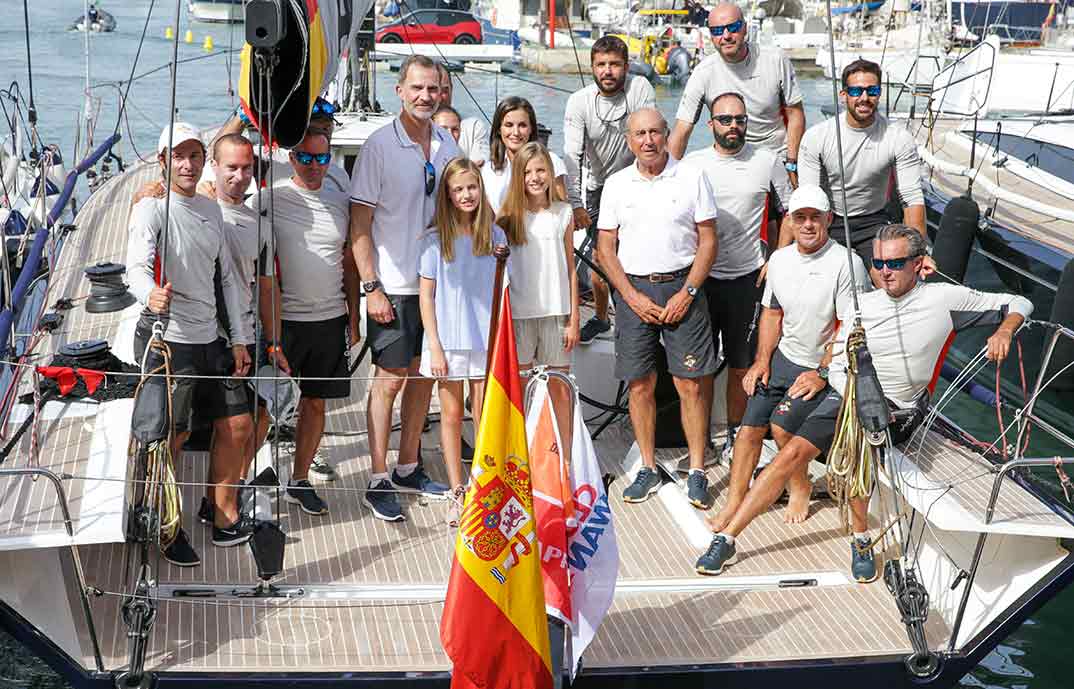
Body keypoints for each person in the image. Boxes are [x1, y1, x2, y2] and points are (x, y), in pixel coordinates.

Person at [695, 224, 1033, 580]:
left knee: (860, 445)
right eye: (879, 262)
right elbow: (839, 362)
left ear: (919, 264)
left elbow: (1020, 302)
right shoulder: (863, 306)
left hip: (898, 408)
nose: (886, 271)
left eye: (896, 262)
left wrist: (1004, 330)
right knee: (790, 451)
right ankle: (728, 538)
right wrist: (840, 385)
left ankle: (860, 538)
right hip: (851, 396)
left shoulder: (945, 300)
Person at [706, 185, 869, 533]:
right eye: (800, 218)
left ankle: (800, 486)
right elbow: (771, 315)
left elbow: (848, 328)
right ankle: (734, 501)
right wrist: (761, 360)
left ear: (830, 219)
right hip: (783, 357)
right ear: (790, 223)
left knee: (782, 427)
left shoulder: (847, 263)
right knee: (747, 431)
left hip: (824, 364)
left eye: (815, 217)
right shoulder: (779, 260)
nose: (808, 225)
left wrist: (823, 372)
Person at [126, 123, 253, 567]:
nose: (187, 163)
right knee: (173, 436)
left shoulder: (211, 208)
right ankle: (166, 524)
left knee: (239, 425)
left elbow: (228, 280)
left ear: (204, 160)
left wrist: (238, 338)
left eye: (194, 154)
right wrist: (149, 294)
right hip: (170, 341)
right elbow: (136, 268)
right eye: (177, 155)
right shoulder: (150, 209)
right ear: (163, 161)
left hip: (211, 338)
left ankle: (221, 515)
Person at [350, 54, 461, 522]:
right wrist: (371, 287)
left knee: (422, 379)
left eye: (432, 89)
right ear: (400, 91)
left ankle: (408, 464)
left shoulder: (447, 143)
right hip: (392, 285)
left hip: (436, 284)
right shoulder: (379, 145)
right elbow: (359, 223)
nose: (425, 97)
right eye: (416, 88)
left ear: (442, 93)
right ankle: (377, 477)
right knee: (389, 380)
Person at [596, 108, 719, 508]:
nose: (648, 141)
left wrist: (688, 292)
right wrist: (631, 297)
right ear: (629, 140)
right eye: (639, 134)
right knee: (640, 384)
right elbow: (605, 248)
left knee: (691, 384)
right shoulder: (616, 185)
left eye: (654, 132)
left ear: (667, 134)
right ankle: (647, 467)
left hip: (683, 288)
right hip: (634, 293)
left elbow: (708, 240)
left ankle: (698, 469)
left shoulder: (692, 176)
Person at [250, 130, 360, 516]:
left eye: (321, 159)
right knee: (264, 406)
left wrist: (354, 315)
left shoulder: (340, 198)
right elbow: (226, 207)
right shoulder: (271, 197)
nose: (314, 167)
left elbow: (349, 260)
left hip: (330, 318)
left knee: (315, 404)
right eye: (305, 158)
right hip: (284, 322)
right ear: (291, 158)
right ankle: (244, 479)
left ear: (330, 159)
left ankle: (298, 481)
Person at [683, 91, 794, 464]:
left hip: (749, 279)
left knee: (741, 365)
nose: (734, 126)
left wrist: (777, 258)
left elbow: (788, 213)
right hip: (701, 279)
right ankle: (699, 446)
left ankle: (734, 437)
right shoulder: (693, 165)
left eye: (740, 120)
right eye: (726, 119)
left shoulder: (767, 162)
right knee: (696, 367)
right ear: (710, 123)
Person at [419, 159, 506, 495]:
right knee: (452, 415)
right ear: (448, 195)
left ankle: (483, 483)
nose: (467, 195)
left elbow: (500, 290)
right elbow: (427, 297)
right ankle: (458, 488)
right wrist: (435, 346)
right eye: (459, 189)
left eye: (472, 187)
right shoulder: (434, 240)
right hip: (450, 342)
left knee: (484, 415)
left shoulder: (494, 234)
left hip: (485, 339)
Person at [562, 35, 656, 345]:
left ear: (626, 66)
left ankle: (643, 315)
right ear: (592, 68)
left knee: (640, 256)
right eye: (601, 65)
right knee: (601, 261)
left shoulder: (640, 88)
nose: (608, 71)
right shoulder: (580, 102)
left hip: (638, 182)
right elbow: (571, 156)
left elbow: (650, 137)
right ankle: (602, 318)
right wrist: (575, 203)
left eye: (614, 64)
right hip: (599, 189)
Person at [795, 59, 928, 267]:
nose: (864, 98)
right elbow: (808, 197)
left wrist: (919, 254)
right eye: (856, 91)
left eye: (872, 90)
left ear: (879, 93)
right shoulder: (816, 137)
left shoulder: (899, 138)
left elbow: (911, 198)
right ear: (844, 95)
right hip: (829, 220)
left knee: (888, 276)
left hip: (874, 221)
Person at [499, 141, 579, 461]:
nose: (535, 177)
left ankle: (565, 458)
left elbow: (571, 268)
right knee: (521, 389)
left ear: (550, 172)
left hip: (556, 313)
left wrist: (574, 320)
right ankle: (520, 455)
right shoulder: (508, 216)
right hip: (520, 314)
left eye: (540, 170)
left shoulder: (564, 213)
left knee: (559, 388)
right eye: (528, 171)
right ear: (519, 176)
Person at [668, 2, 805, 179]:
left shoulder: (775, 59)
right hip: (729, 158)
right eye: (717, 31)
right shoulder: (703, 73)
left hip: (776, 157)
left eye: (733, 27)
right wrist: (667, 177)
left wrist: (792, 162)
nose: (726, 36)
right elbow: (681, 130)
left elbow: (795, 114)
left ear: (745, 28)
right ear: (710, 35)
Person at [483, 97, 567, 214]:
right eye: (509, 125)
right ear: (498, 129)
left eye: (522, 125)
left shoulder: (552, 161)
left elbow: (562, 211)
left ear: (531, 128)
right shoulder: (488, 170)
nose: (516, 132)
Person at [436, 63, 490, 164]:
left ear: (452, 89)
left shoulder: (473, 128)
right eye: (433, 90)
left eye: (444, 90)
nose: (439, 97)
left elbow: (479, 166)